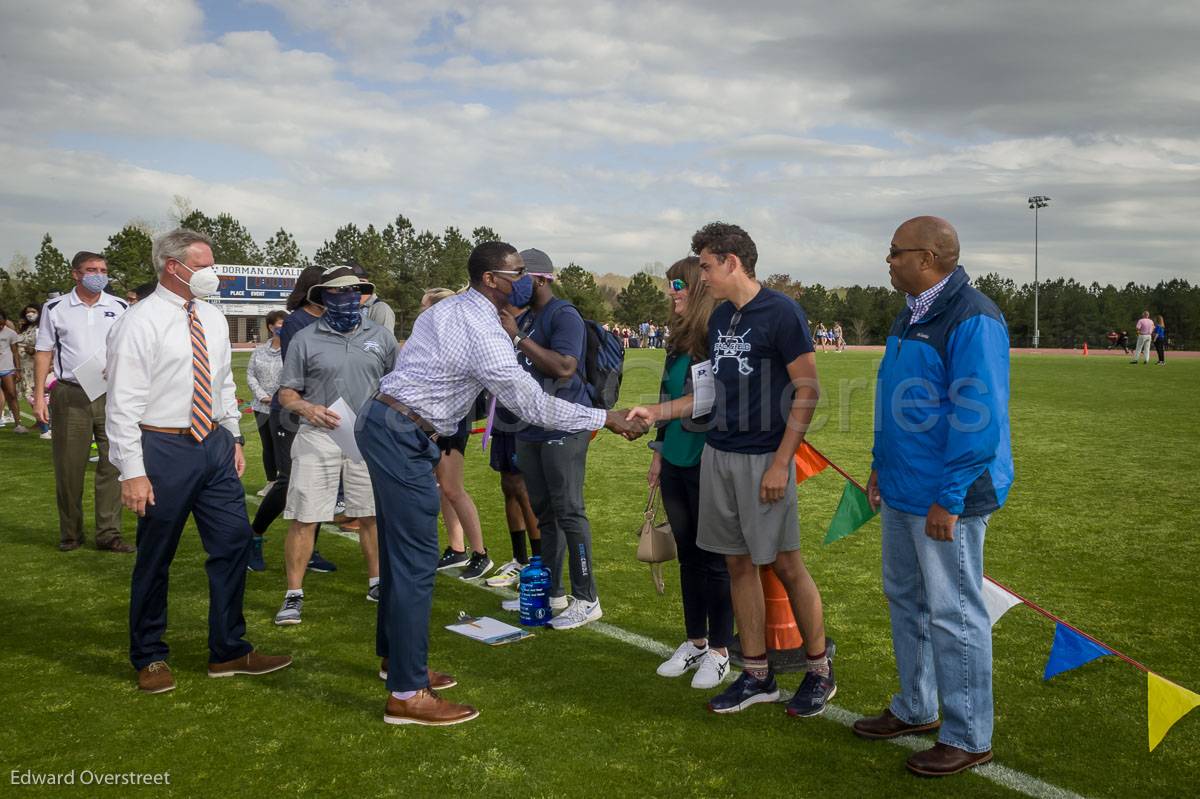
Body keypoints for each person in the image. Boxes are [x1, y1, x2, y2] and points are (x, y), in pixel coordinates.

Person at [355, 240, 646, 726]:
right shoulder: (482, 327)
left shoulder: (451, 310)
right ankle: (406, 693)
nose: (525, 280)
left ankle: (397, 662)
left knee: (401, 553)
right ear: (491, 279)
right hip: (403, 432)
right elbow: (529, 402)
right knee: (414, 563)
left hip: (391, 425)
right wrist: (605, 416)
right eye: (517, 273)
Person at [631, 222, 834, 717]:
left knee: (785, 563)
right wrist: (656, 414)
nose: (700, 276)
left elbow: (807, 389)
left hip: (765, 457)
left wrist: (781, 462)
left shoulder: (782, 312)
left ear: (731, 261)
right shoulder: (721, 318)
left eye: (704, 265)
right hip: (717, 455)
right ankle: (757, 675)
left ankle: (819, 670)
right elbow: (710, 393)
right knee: (736, 563)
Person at [852, 216, 1012, 777]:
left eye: (896, 252)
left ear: (930, 257)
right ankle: (916, 707)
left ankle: (968, 735)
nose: (889, 261)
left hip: (947, 496)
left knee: (954, 612)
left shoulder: (972, 317)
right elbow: (896, 403)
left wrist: (949, 496)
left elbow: (978, 417)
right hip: (903, 487)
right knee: (906, 598)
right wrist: (880, 465)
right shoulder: (910, 313)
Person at [106, 228, 291, 694]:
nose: (214, 272)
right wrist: (132, 471)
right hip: (163, 446)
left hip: (213, 445)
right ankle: (149, 655)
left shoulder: (210, 316)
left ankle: (229, 649)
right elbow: (122, 403)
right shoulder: (138, 321)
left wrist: (232, 436)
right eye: (204, 264)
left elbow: (223, 380)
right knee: (156, 554)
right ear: (174, 266)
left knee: (232, 543)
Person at [273, 266, 397, 625]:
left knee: (371, 514)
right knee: (304, 516)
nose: (347, 300)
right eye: (338, 294)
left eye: (353, 292)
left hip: (368, 437)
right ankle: (293, 594)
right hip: (317, 435)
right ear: (324, 298)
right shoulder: (304, 338)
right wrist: (306, 407)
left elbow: (395, 383)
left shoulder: (381, 336)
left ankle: (377, 583)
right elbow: (287, 392)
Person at [638, 258, 734, 689]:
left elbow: (709, 400)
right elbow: (668, 393)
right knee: (689, 556)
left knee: (714, 559)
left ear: (698, 286)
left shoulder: (720, 336)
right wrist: (658, 452)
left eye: (678, 284)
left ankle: (720, 650)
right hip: (676, 455)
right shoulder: (677, 339)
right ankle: (695, 640)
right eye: (670, 285)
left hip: (708, 457)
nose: (671, 292)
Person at [499, 248, 604, 630]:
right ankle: (553, 591)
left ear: (540, 279)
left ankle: (587, 597)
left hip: (564, 426)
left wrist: (520, 336)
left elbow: (564, 366)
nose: (514, 285)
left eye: (520, 277)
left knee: (570, 512)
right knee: (544, 514)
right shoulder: (527, 316)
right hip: (530, 426)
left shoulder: (563, 315)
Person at [33, 251, 131, 552]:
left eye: (103, 269)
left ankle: (109, 533)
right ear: (75, 274)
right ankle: (71, 533)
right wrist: (39, 396)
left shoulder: (120, 306)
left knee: (113, 463)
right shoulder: (55, 307)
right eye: (91, 269)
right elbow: (44, 351)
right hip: (71, 393)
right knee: (69, 466)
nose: (98, 274)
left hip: (111, 392)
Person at [419, 288, 493, 581]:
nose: (420, 313)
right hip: (434, 422)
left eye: (424, 308)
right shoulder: (433, 340)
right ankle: (456, 547)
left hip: (449, 423)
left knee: (453, 488)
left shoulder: (454, 342)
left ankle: (481, 553)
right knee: (443, 488)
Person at [246, 310, 287, 501]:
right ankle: (271, 482)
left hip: (284, 408)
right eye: (280, 323)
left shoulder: (291, 350)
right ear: (271, 327)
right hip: (261, 407)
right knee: (268, 445)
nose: (283, 327)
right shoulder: (259, 351)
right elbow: (250, 375)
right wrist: (262, 396)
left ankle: (285, 483)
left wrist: (278, 397)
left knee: (284, 447)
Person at [16, 305, 51, 437]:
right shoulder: (26, 328)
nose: (30, 314)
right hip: (24, 366)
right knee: (28, 393)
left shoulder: (42, 328)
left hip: (35, 365)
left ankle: (45, 421)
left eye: (33, 311)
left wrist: (33, 351)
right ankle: (39, 419)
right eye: (27, 312)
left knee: (36, 394)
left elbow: (46, 348)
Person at [0, 310, 24, 434]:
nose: (0, 326)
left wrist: (18, 369)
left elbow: (15, 352)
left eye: (2, 324)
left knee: (12, 395)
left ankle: (18, 424)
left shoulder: (10, 333)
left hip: (7, 368)